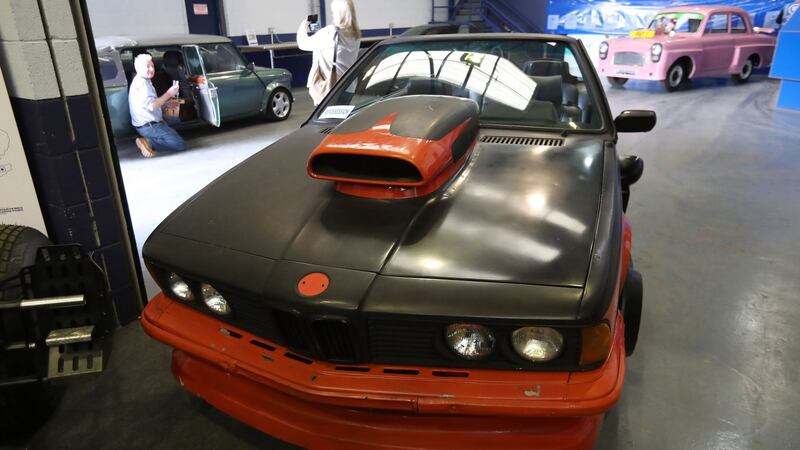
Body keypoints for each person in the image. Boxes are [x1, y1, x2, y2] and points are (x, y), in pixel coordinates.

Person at [297, 0, 361, 105]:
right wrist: (320, 34)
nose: (333, 15)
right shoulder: (356, 34)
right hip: (349, 87)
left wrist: (303, 25)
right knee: (341, 120)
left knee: (326, 120)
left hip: (331, 88)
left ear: (340, 13)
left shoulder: (330, 32)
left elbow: (302, 43)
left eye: (334, 12)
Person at [128, 53, 186, 157]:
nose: (151, 69)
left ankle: (159, 136)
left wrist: (166, 104)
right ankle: (148, 142)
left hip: (146, 121)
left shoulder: (142, 80)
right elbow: (151, 106)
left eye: (152, 66)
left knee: (176, 119)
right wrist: (169, 93)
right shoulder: (142, 84)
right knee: (180, 144)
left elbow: (150, 104)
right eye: (147, 67)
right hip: (149, 125)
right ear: (138, 68)